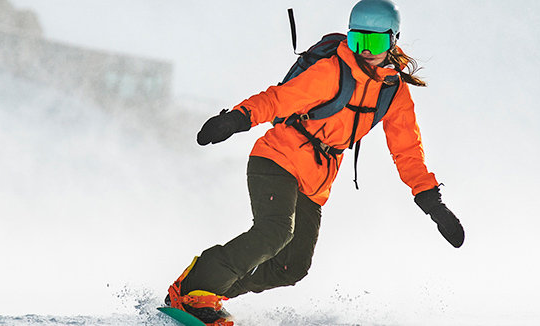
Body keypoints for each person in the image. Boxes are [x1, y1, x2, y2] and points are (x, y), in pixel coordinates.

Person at [164, 1, 465, 325]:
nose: (364, 51)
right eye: (357, 41)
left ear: (393, 41)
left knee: (292, 266)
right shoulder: (332, 72)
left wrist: (431, 201)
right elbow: (278, 100)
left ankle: (210, 293)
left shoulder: (393, 93)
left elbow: (407, 152)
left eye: (374, 43)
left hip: (316, 180)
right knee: (275, 231)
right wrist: (236, 119)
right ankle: (194, 289)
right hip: (278, 158)